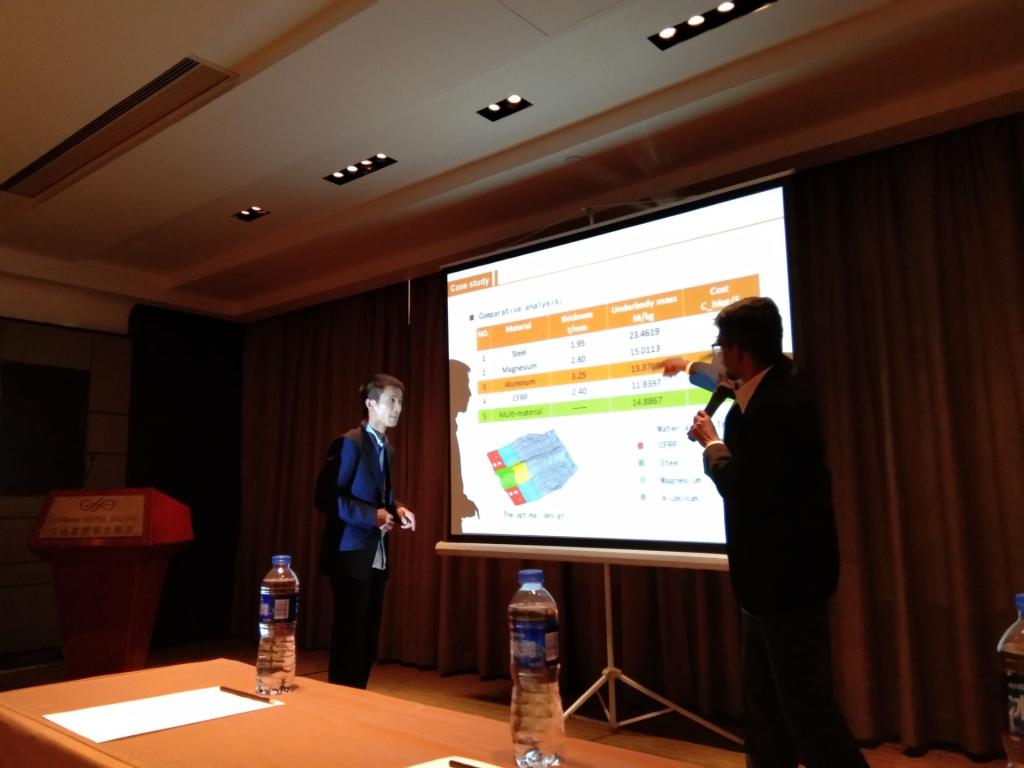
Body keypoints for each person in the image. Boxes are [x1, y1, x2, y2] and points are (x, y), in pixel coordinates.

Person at [662, 297, 867, 768]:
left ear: (738, 351)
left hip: (788, 582)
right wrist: (688, 368)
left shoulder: (780, 405)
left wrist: (712, 444)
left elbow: (744, 487)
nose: (718, 359)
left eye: (720, 349)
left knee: (806, 707)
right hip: (764, 583)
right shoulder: (768, 385)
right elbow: (716, 380)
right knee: (765, 707)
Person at [317, 373, 415, 688]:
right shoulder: (350, 442)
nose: (398, 408)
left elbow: (379, 497)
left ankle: (357, 696)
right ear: (370, 403)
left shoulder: (387, 448)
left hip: (376, 556)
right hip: (350, 553)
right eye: (391, 400)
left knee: (368, 639)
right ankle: (341, 701)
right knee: (350, 637)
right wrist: (372, 516)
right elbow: (327, 497)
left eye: (400, 401)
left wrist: (397, 509)